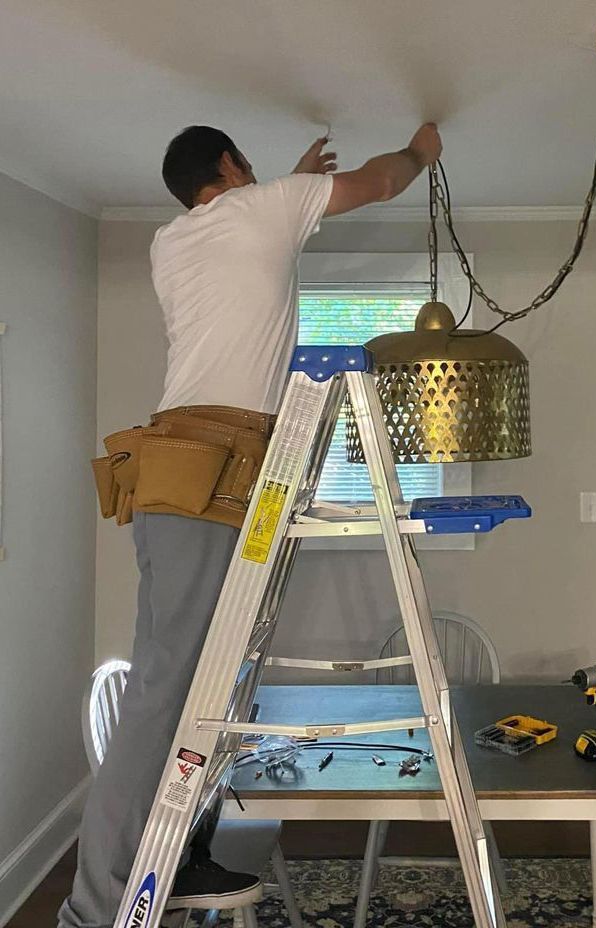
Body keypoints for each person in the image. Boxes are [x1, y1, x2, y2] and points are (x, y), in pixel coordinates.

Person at [59, 121, 442, 928]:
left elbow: (253, 244)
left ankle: (182, 846)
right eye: (253, 170)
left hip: (184, 468)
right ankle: (93, 915)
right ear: (233, 165)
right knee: (163, 698)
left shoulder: (176, 240)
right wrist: (420, 151)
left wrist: (289, 183)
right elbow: (379, 181)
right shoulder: (264, 211)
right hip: (212, 469)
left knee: (206, 686)